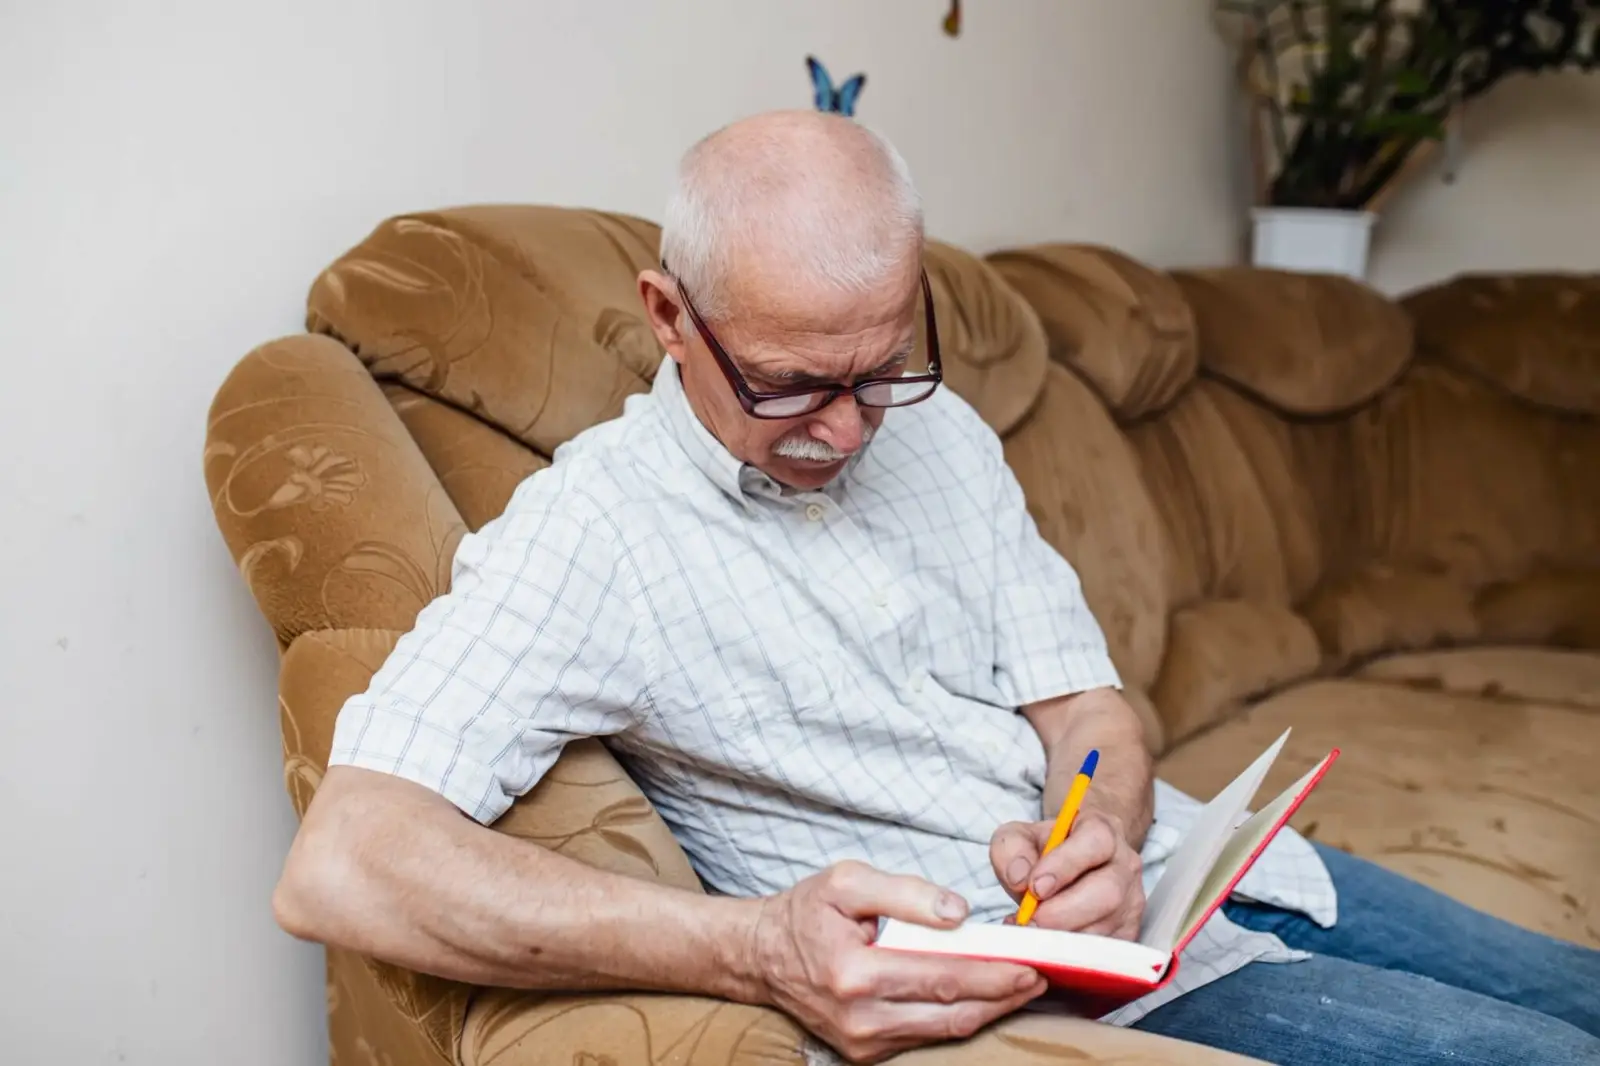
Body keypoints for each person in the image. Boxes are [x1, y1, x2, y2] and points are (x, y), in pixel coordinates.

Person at [272, 110, 1600, 1065]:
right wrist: (755, 946)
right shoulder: (592, 534)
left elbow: (1087, 706)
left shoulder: (941, 428)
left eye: (882, 366)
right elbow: (347, 860)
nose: (852, 429)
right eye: (793, 384)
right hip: (1099, 1001)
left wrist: (1098, 819)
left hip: (1209, 871)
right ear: (670, 319)